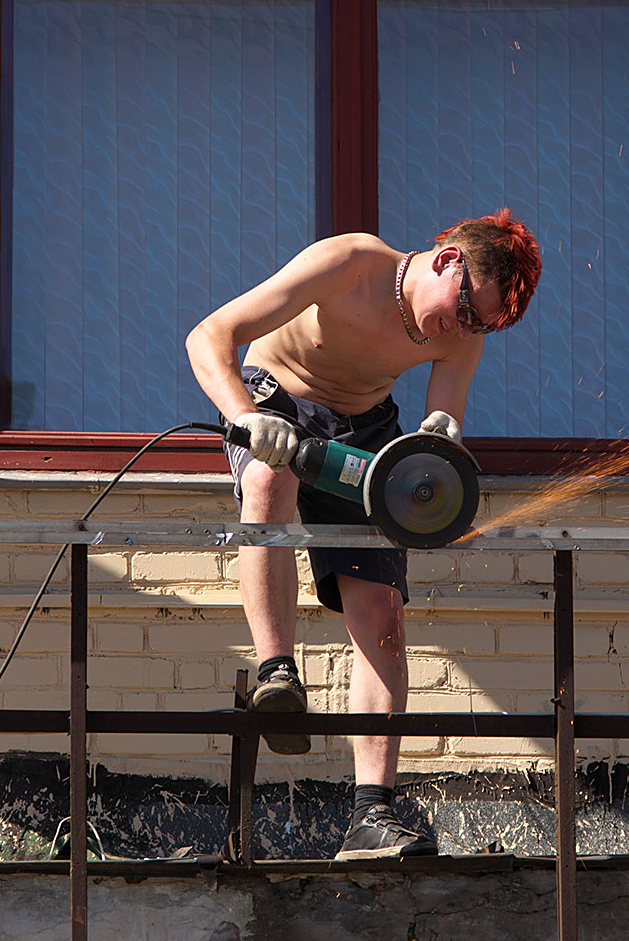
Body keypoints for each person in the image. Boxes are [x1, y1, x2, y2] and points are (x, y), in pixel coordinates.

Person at [185, 209, 542, 859]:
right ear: (446, 261)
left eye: (479, 324)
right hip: (277, 401)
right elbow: (210, 335)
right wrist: (244, 418)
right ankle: (276, 677)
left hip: (367, 429)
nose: (462, 330)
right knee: (268, 483)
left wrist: (438, 445)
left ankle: (372, 814)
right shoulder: (349, 264)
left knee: (384, 611)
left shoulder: (462, 335)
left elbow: (441, 438)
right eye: (464, 312)